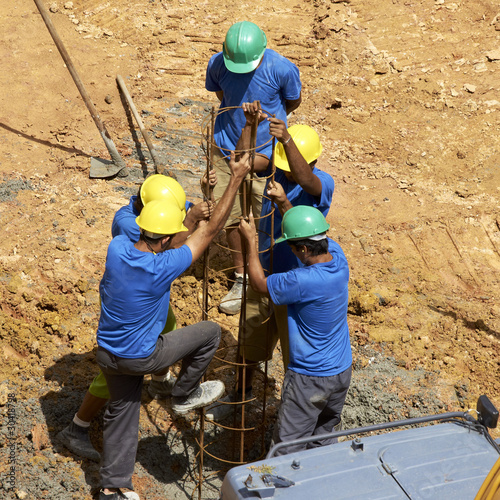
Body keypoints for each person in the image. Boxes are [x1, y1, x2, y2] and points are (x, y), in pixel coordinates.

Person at [95, 152, 250, 500]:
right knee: (209, 332)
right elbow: (209, 231)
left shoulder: (118, 247)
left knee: (123, 413)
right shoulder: (161, 268)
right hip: (142, 357)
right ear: (166, 239)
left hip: (107, 353)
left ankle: (112, 488)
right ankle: (183, 394)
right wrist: (236, 179)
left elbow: (152, 225)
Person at [56, 173, 216, 463]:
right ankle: (78, 426)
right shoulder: (126, 225)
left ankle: (159, 380)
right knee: (117, 372)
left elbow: (180, 221)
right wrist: (192, 221)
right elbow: (168, 246)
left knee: (167, 326)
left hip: (150, 296)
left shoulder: (155, 206)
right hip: (133, 300)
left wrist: (206, 195)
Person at [205, 116, 334, 421]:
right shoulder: (275, 173)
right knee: (249, 348)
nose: (286, 170)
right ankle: (240, 398)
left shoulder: (321, 183)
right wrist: (249, 125)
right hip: (266, 275)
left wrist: (287, 140)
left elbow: (305, 180)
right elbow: (241, 162)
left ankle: (296, 411)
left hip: (299, 287)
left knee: (297, 358)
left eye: (289, 162)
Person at [205, 20, 302, 314]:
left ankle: (266, 275)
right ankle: (241, 276)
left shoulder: (281, 68)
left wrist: (261, 129)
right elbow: (222, 95)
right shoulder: (218, 63)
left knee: (264, 217)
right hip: (225, 149)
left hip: (264, 153)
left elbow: (292, 102)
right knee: (230, 214)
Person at [239, 206, 352, 455]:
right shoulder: (338, 256)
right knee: (323, 437)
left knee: (286, 449)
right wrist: (287, 208)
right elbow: (310, 229)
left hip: (310, 379)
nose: (291, 251)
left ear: (303, 250)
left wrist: (250, 241)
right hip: (341, 370)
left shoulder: (301, 281)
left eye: (292, 247)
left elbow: (258, 284)